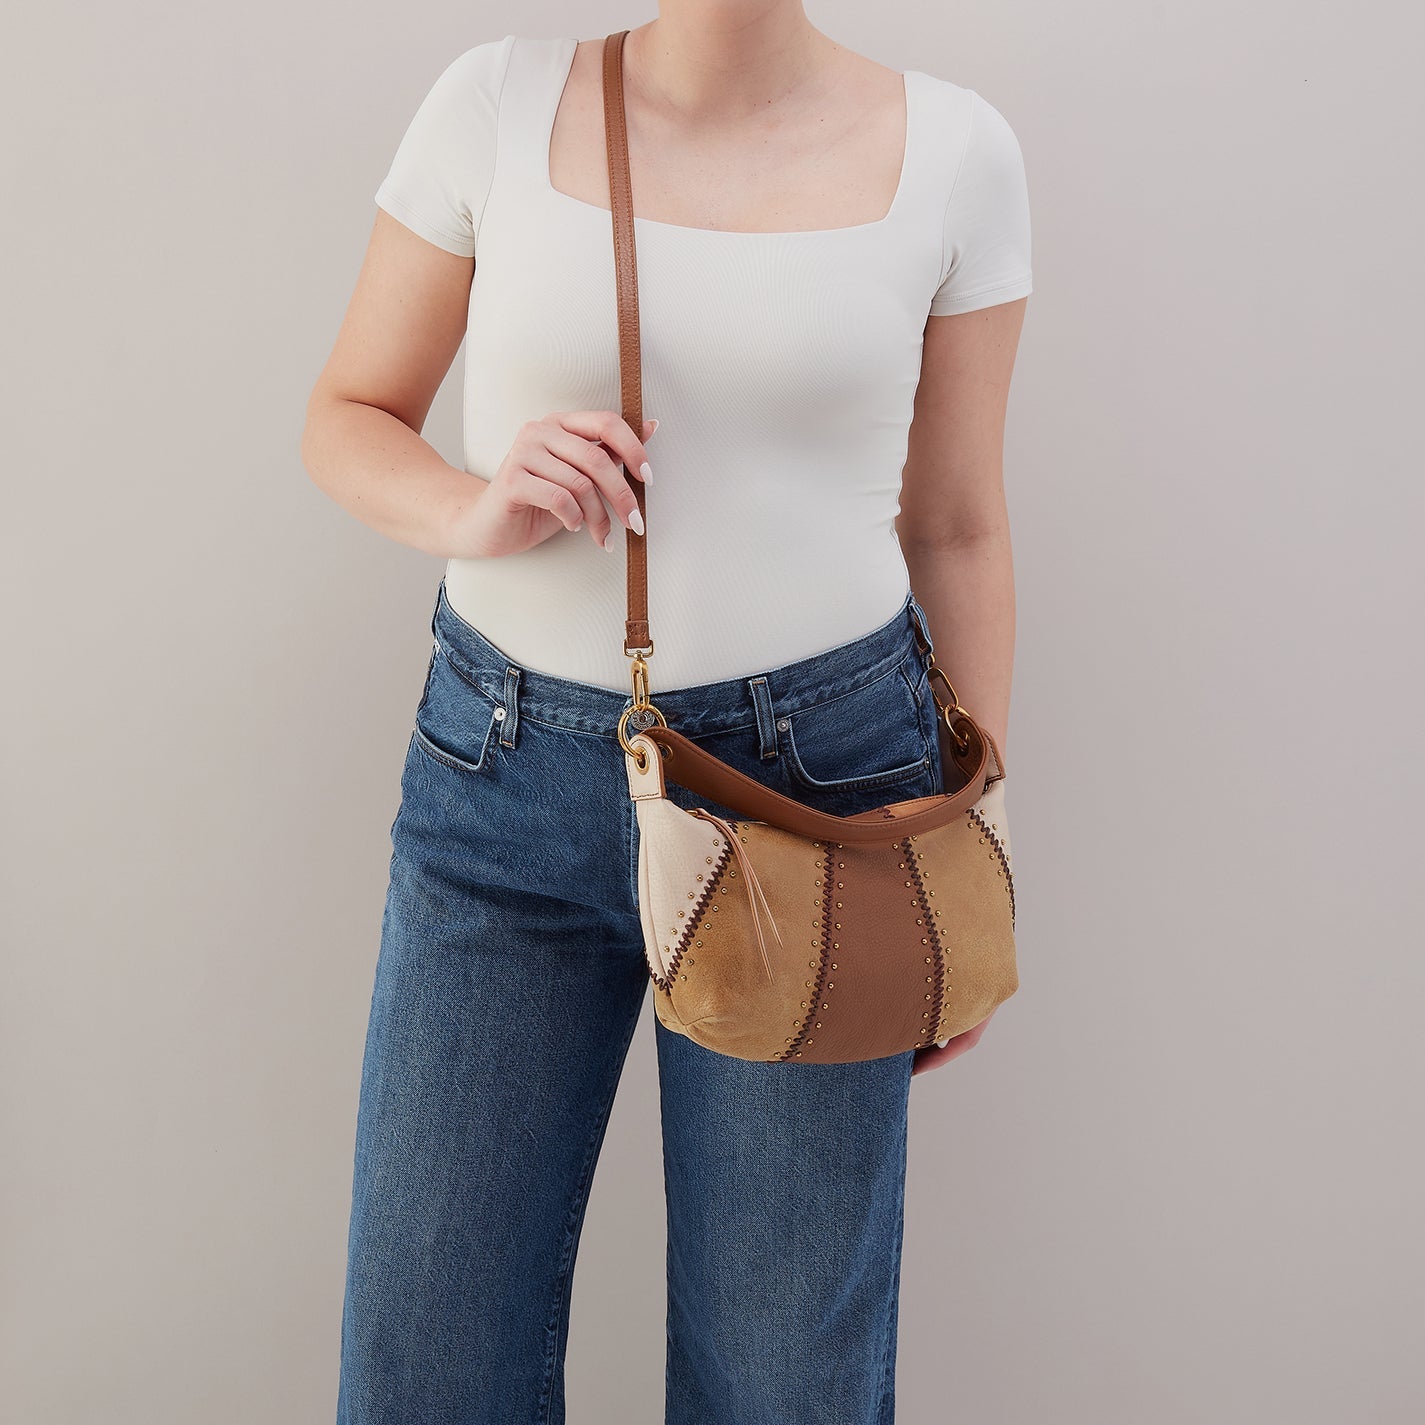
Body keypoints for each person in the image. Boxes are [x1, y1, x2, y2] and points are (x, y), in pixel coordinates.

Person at [301, 6, 1030, 1421]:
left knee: (782, 1379)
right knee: (428, 1363)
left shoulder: (956, 152)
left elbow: (955, 523)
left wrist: (967, 852)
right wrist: (476, 503)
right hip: (496, 780)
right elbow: (348, 409)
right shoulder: (490, 106)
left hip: (827, 800)